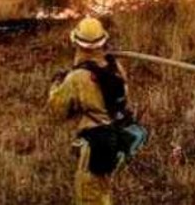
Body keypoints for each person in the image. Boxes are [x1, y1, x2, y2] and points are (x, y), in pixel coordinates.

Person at [48, 17, 132, 205]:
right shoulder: (114, 66)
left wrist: (55, 85)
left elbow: (57, 111)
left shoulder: (77, 77)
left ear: (76, 43)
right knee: (102, 194)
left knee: (89, 198)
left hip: (95, 143)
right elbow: (124, 97)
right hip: (115, 138)